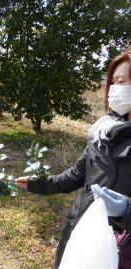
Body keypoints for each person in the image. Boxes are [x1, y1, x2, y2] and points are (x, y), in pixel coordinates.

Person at [15, 51, 131, 269]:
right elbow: (75, 175)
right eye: (112, 82)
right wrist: (36, 183)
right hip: (79, 232)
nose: (114, 89)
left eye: (122, 82)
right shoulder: (103, 131)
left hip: (116, 250)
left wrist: (126, 211)